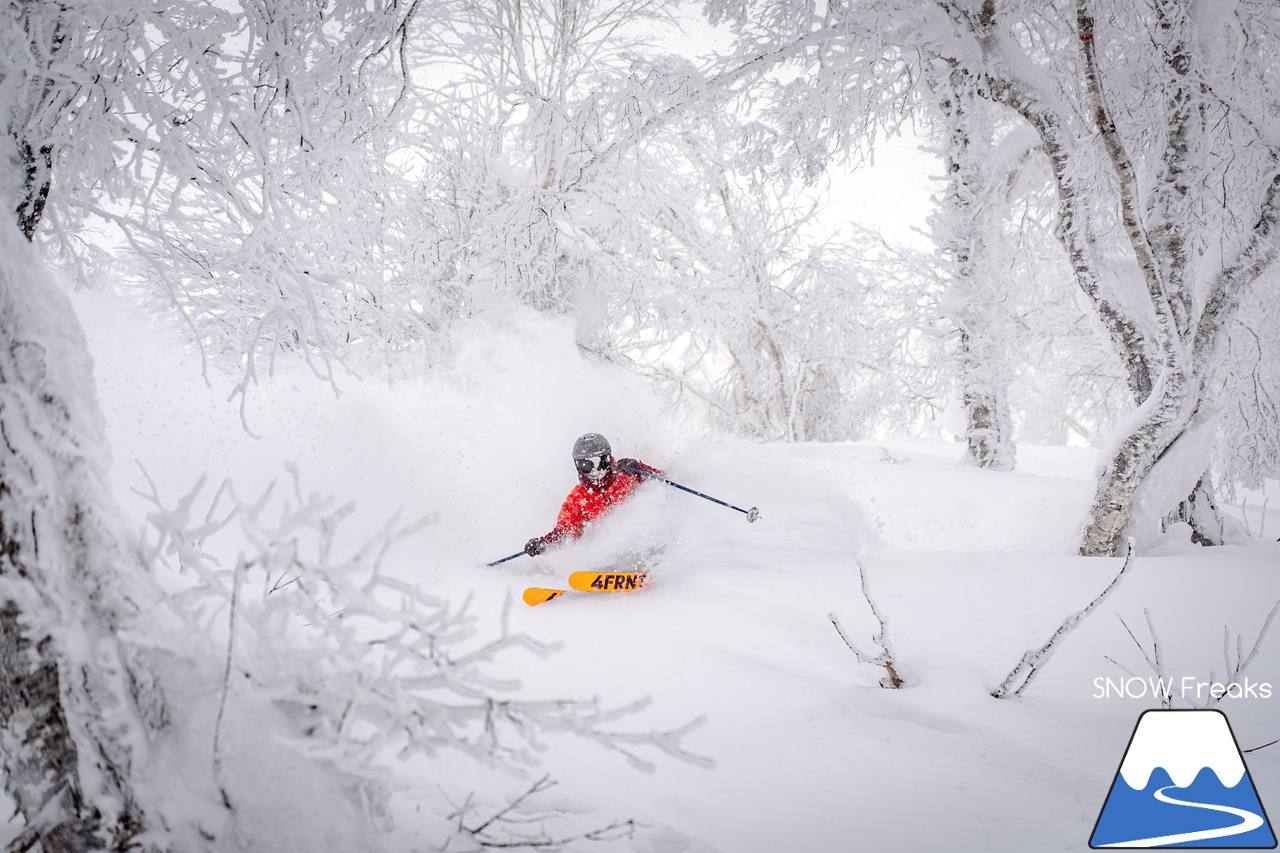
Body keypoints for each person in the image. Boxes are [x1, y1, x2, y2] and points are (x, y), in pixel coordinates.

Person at [524, 433, 662, 557]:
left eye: (601, 463)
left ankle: (656, 558)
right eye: (587, 465)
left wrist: (639, 469)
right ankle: (616, 567)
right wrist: (542, 544)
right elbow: (565, 533)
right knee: (607, 544)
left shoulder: (625, 473)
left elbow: (663, 482)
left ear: (609, 459)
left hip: (649, 534)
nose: (596, 471)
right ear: (578, 467)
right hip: (618, 549)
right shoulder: (578, 499)